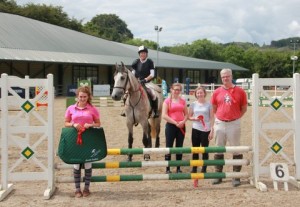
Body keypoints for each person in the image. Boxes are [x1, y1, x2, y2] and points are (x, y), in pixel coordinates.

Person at [210, 68, 248, 187]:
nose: (225, 78)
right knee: (218, 149)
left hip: (234, 123)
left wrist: (235, 118)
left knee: (235, 149)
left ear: (231, 76)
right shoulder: (216, 92)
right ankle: (218, 175)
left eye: (227, 76)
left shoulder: (240, 91)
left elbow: (244, 109)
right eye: (223, 77)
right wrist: (218, 120)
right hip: (220, 122)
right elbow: (214, 108)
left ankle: (236, 176)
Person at [65, 86, 101, 198]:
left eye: (85, 96)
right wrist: (73, 124)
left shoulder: (93, 109)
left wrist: (90, 125)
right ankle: (77, 190)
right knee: (76, 164)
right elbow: (66, 123)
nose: (82, 98)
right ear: (77, 96)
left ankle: (86, 188)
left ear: (88, 97)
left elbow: (98, 123)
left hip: (89, 139)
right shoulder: (70, 108)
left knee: (88, 163)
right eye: (80, 96)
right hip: (75, 139)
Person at [121, 45, 159, 118]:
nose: (143, 54)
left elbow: (152, 74)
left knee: (153, 94)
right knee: (125, 95)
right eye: (141, 53)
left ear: (146, 54)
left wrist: (144, 80)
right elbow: (133, 73)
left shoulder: (150, 62)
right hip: (137, 82)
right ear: (139, 54)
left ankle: (155, 110)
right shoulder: (135, 62)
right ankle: (125, 109)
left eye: (144, 53)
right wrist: (134, 81)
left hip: (147, 82)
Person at [162, 83, 188, 174]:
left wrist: (183, 122)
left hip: (181, 126)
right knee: (169, 146)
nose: (176, 91)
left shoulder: (183, 101)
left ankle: (178, 168)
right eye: (175, 89)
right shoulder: (167, 101)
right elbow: (164, 115)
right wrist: (175, 122)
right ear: (171, 90)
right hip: (171, 126)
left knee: (179, 146)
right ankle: (167, 168)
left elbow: (186, 114)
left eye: (178, 90)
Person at [188, 86, 214, 173]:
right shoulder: (193, 104)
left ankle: (204, 168)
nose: (199, 94)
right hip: (195, 129)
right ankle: (194, 167)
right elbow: (189, 117)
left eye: (201, 92)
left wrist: (212, 130)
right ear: (196, 94)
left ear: (204, 93)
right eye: (198, 93)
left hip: (206, 129)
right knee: (195, 149)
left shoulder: (209, 104)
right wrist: (194, 119)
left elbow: (211, 118)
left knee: (205, 149)